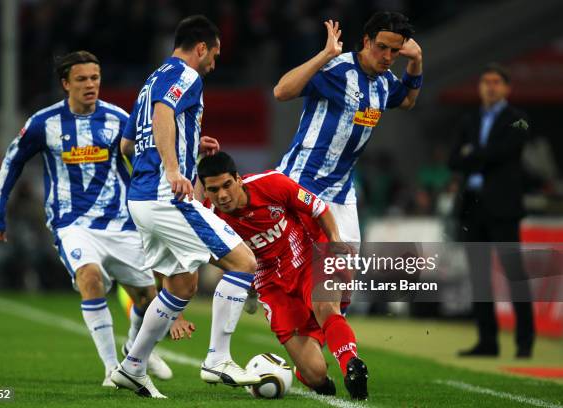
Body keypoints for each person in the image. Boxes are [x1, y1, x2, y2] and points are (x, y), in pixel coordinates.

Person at [0, 50, 177, 387]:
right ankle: (110, 368)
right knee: (89, 279)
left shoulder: (119, 118)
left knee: (150, 299)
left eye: (95, 78)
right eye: (82, 79)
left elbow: (150, 151)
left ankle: (134, 345)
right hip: (71, 223)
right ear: (65, 84)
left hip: (121, 222)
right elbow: (13, 161)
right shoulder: (44, 123)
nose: (90, 85)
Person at [110, 15, 260, 398]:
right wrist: (174, 169)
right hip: (167, 196)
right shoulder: (186, 76)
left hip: (141, 200)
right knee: (243, 262)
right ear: (201, 48)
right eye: (215, 53)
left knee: (182, 283)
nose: (215, 61)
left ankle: (132, 366)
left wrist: (188, 148)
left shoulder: (148, 82)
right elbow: (164, 112)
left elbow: (127, 146)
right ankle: (218, 359)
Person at [197, 151, 369, 400]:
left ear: (238, 179)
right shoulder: (209, 217)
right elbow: (204, 253)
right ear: (206, 191)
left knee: (325, 306)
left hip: (310, 257)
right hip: (272, 287)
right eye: (213, 190)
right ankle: (311, 377)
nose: (222, 195)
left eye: (227, 185)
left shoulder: (272, 184)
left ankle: (352, 365)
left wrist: (333, 240)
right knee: (315, 374)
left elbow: (319, 209)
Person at [274, 12, 422, 242]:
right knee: (290, 271)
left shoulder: (385, 82)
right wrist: (325, 55)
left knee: (344, 274)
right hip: (303, 183)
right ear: (366, 41)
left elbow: (407, 101)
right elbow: (281, 91)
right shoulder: (337, 68)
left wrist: (416, 60)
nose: (387, 56)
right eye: (381, 47)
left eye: (394, 51)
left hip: (342, 194)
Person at [449, 63, 534, 358]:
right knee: (479, 277)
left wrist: (472, 154)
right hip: (473, 206)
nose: (490, 87)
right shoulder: (468, 119)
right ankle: (488, 342)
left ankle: (524, 342)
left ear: (507, 88)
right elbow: (453, 160)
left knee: (515, 274)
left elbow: (507, 151)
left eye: (497, 82)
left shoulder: (519, 119)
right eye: (486, 81)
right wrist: (477, 156)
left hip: (504, 206)